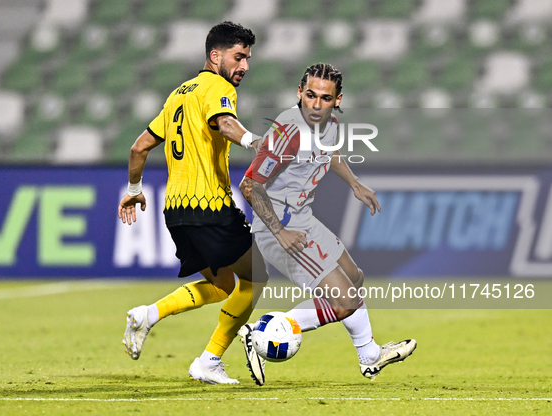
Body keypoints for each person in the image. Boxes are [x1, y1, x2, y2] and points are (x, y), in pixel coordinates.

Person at [237, 63, 416, 386]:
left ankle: (369, 355)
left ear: (337, 100)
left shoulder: (329, 124)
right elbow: (249, 185)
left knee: (355, 278)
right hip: (281, 229)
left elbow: (330, 152)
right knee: (345, 301)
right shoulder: (286, 134)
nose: (316, 105)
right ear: (299, 93)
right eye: (310, 96)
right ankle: (262, 331)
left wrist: (355, 184)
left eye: (325, 97)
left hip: (305, 220)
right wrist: (280, 232)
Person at [118, 21, 268, 385]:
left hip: (175, 211)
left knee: (222, 286)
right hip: (210, 206)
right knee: (256, 278)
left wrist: (135, 188)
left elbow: (139, 146)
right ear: (215, 56)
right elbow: (224, 123)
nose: (244, 66)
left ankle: (147, 314)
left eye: (247, 58)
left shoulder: (176, 95)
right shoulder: (218, 87)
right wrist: (258, 142)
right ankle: (209, 360)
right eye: (238, 56)